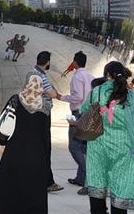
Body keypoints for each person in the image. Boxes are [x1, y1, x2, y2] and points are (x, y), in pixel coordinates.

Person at [81, 61, 134, 214]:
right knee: (121, 183)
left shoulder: (96, 91)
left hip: (98, 144)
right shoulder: (130, 94)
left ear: (107, 75)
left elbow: (84, 111)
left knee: (97, 180)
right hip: (122, 146)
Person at [0, 63, 51, 213]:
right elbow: (46, 135)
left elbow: (5, 122)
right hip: (36, 153)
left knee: (11, 184)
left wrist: (2, 144)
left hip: (15, 150)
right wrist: (46, 157)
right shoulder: (45, 106)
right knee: (33, 188)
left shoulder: (16, 99)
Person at [57, 51, 94, 195]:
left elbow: (77, 97)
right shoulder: (90, 76)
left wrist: (61, 97)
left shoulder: (77, 76)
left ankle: (89, 177)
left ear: (75, 62)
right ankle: (80, 178)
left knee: (74, 146)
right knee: (84, 147)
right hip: (89, 112)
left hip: (79, 113)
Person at [30, 51, 63, 192]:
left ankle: (43, 180)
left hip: (35, 113)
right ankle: (47, 182)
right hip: (42, 114)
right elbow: (51, 93)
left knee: (39, 147)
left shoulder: (33, 71)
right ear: (47, 62)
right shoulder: (40, 75)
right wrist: (56, 94)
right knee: (45, 148)